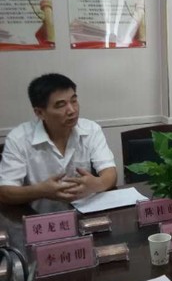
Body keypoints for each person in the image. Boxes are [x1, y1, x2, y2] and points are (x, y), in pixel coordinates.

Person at [0, 74, 117, 204]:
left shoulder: (91, 129)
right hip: (40, 214)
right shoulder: (18, 139)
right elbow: (5, 192)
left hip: (87, 212)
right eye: (61, 105)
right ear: (40, 113)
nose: (72, 110)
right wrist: (40, 191)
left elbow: (110, 173)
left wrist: (97, 183)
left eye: (74, 101)